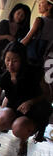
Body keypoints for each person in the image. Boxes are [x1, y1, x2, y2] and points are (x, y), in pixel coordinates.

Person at [0, 42, 52, 156]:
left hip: (33, 113)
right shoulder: (3, 78)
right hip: (14, 109)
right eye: (8, 60)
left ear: (22, 60)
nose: (10, 64)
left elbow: (48, 95)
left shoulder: (35, 73)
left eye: (15, 61)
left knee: (19, 127)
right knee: (0, 116)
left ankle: (23, 141)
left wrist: (31, 102)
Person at [21, 0, 53, 142]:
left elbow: (28, 38)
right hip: (50, 64)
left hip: (35, 63)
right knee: (47, 97)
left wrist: (14, 48)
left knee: (26, 92)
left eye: (42, 3)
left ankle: (16, 125)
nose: (39, 5)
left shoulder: (40, 20)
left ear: (49, 6)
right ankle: (40, 131)